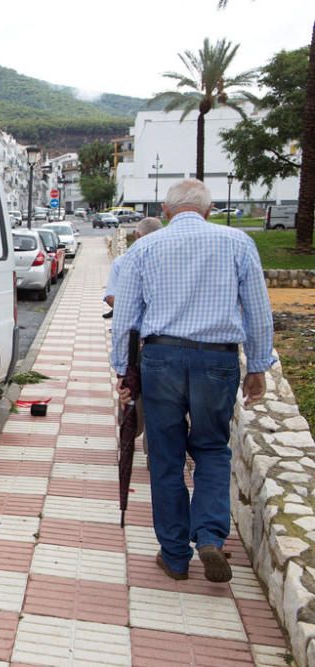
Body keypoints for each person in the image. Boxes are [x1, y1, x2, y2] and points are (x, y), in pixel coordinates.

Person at [111, 180, 274, 583]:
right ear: (210, 209)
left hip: (161, 358)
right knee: (212, 449)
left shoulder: (144, 248)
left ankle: (174, 555)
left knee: (166, 457)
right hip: (217, 361)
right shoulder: (238, 243)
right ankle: (210, 537)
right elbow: (258, 310)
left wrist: (122, 372)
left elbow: (125, 319)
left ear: (166, 211)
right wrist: (257, 367)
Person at [102, 217, 163, 318]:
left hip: (133, 325)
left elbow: (111, 297)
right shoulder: (174, 259)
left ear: (137, 234)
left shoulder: (122, 261)